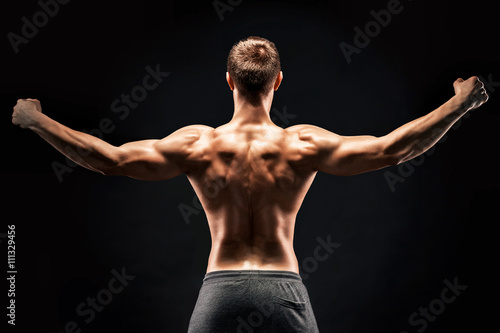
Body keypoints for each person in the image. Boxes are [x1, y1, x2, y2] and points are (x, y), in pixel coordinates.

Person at [11, 36, 488, 332]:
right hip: (284, 291)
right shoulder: (303, 144)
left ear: (229, 81)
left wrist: (37, 121)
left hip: (220, 292)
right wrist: (460, 104)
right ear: (278, 81)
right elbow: (391, 149)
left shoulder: (198, 144)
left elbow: (108, 160)